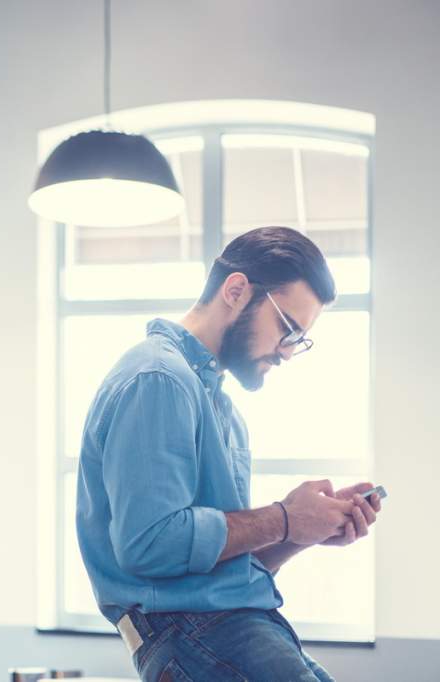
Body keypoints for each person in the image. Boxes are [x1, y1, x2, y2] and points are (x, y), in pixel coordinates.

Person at [75, 226, 383, 681]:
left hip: (231, 629)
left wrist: (305, 530)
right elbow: (149, 545)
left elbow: (222, 561)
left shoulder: (222, 409)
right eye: (287, 329)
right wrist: (284, 518)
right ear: (236, 291)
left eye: (298, 340)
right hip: (194, 633)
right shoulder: (158, 379)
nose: (287, 353)